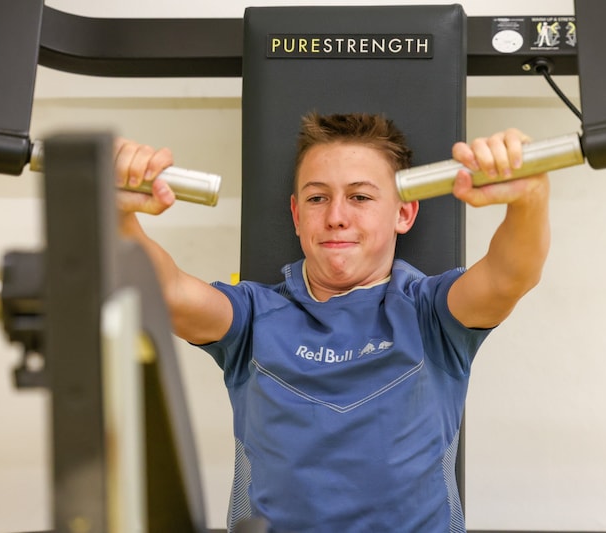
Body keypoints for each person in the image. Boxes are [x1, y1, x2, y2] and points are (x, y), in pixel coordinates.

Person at [114, 112, 550, 533]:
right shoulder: (251, 316)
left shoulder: (431, 312)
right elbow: (164, 292)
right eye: (317, 197)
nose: (336, 215)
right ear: (297, 214)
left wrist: (529, 197)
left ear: (404, 213)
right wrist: (113, 210)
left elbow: (509, 275)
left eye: (360, 197)